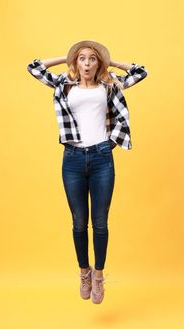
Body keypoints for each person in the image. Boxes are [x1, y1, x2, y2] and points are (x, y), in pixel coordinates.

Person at [27, 39, 148, 304]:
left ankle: (99, 276)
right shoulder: (64, 85)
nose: (87, 63)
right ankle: (84, 272)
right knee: (79, 222)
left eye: (92, 59)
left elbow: (140, 72)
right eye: (82, 59)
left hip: (102, 157)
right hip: (72, 158)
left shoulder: (109, 85)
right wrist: (67, 56)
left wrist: (110, 60)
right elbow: (34, 67)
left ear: (98, 64)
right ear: (76, 63)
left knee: (101, 222)